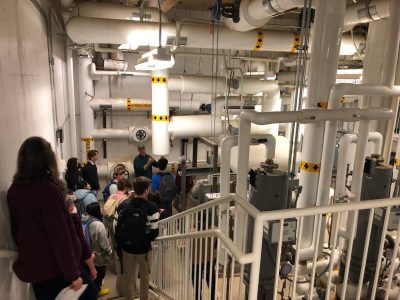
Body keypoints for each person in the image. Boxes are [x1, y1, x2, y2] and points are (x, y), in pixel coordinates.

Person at [7, 137, 84, 300]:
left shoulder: (14, 190)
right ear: (47, 159)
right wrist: (73, 274)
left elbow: (16, 231)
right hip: (56, 270)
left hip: (34, 268)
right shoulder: (48, 190)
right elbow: (60, 236)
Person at [115, 176, 160, 300]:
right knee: (145, 277)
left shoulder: (122, 206)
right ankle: (144, 298)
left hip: (127, 249)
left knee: (128, 277)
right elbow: (154, 232)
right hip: (144, 249)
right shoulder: (152, 207)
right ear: (146, 190)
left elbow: (116, 227)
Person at [82, 202, 113, 296]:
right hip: (97, 254)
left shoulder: (82, 220)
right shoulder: (98, 224)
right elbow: (104, 243)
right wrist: (110, 251)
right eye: (100, 208)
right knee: (100, 273)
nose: (101, 210)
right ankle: (97, 290)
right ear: (96, 211)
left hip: (85, 253)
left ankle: (94, 288)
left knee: (89, 273)